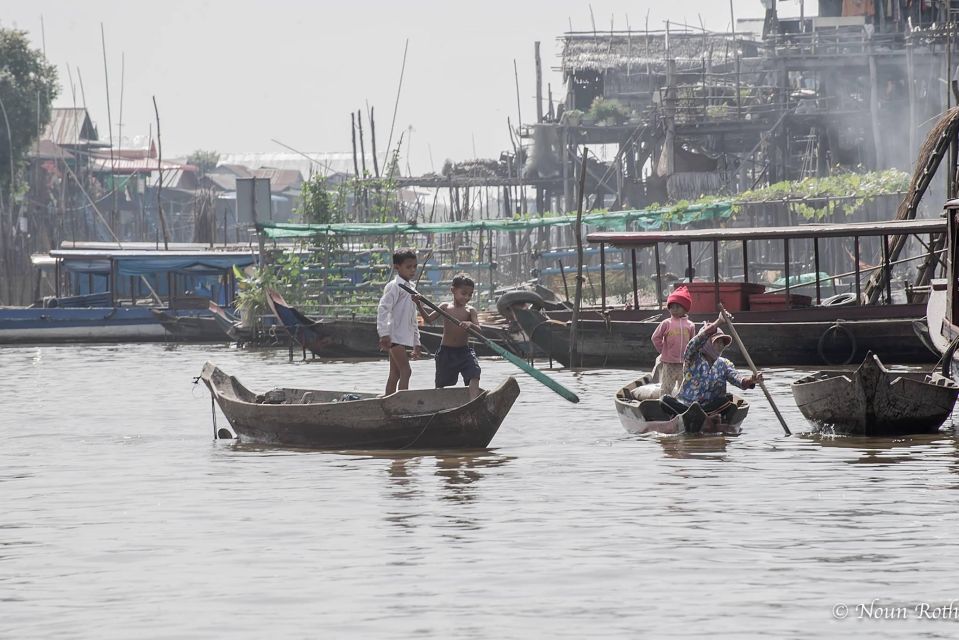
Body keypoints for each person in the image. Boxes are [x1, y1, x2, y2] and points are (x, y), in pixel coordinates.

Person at [660, 314, 761, 432]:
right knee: (664, 400)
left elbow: (738, 379)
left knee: (726, 401)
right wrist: (718, 322)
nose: (721, 346)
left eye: (723, 343)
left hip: (710, 408)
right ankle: (693, 415)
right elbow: (694, 343)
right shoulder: (692, 357)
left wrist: (752, 380)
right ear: (706, 343)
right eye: (717, 342)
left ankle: (700, 416)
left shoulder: (724, 364)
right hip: (686, 405)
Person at [414, 273, 482, 399]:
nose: (467, 297)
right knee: (442, 383)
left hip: (464, 352)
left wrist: (470, 324)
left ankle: (474, 401)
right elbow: (429, 319)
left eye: (470, 294)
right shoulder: (445, 307)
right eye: (464, 293)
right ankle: (439, 404)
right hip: (446, 352)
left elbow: (479, 329)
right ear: (453, 290)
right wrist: (419, 305)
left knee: (474, 373)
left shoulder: (470, 310)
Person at [377, 248, 422, 396]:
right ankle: (402, 402)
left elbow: (412, 319)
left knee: (395, 374)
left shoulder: (411, 289)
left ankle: (388, 400)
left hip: (402, 337)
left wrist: (417, 343)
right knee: (406, 371)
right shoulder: (394, 286)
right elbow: (383, 309)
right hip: (394, 336)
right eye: (408, 267)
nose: (412, 270)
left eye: (415, 266)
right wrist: (384, 334)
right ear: (397, 267)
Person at [651, 286, 696, 396]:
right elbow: (655, 338)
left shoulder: (690, 325)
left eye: (678, 307)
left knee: (683, 387)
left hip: (684, 364)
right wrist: (663, 351)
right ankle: (663, 405)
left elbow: (693, 344)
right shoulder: (666, 323)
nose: (674, 310)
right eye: (672, 307)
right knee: (666, 388)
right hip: (669, 363)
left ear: (685, 309)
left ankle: (681, 405)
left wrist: (692, 358)